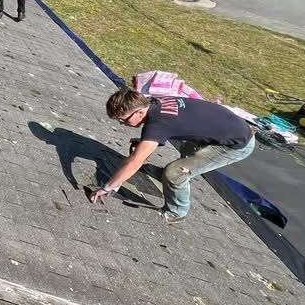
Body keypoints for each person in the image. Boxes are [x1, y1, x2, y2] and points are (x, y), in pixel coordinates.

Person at [91, 88, 257, 224]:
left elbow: (135, 161)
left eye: (123, 120)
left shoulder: (158, 123)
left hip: (235, 145)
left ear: (139, 112)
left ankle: (177, 212)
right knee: (184, 156)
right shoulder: (153, 101)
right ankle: (170, 178)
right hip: (226, 128)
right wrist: (144, 142)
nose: (123, 124)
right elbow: (168, 124)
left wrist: (109, 186)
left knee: (174, 173)